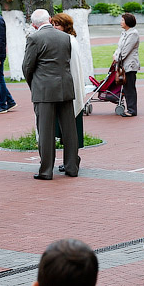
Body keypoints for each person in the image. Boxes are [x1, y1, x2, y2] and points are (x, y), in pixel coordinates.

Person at [23, 9, 79, 180]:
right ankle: (72, 167)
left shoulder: (34, 38)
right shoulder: (66, 37)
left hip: (44, 89)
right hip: (65, 87)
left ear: (33, 24)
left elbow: (27, 67)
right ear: (49, 19)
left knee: (46, 131)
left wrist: (33, 84)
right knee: (69, 129)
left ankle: (46, 170)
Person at [50, 12, 86, 172]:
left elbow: (74, 68)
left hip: (70, 92)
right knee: (64, 131)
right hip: (63, 91)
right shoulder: (62, 40)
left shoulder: (70, 41)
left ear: (66, 26)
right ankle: (69, 161)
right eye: (53, 24)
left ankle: (72, 161)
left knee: (70, 131)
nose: (54, 27)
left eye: (57, 25)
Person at [113, 13, 140, 119]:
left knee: (129, 88)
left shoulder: (133, 34)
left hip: (130, 65)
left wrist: (116, 58)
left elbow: (125, 51)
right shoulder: (124, 33)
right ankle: (130, 108)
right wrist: (115, 55)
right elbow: (119, 48)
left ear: (128, 22)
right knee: (126, 87)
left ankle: (132, 110)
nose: (121, 22)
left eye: (123, 20)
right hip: (123, 65)